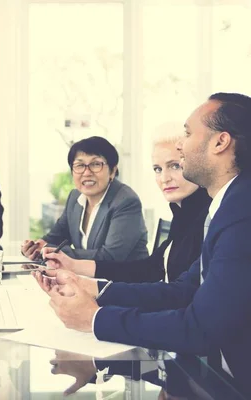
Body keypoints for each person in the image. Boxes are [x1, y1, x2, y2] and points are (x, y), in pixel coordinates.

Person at [34, 93, 251, 397]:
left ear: (220, 143)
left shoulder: (242, 212)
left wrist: (94, 318)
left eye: (187, 134)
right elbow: (184, 289)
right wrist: (92, 288)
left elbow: (201, 328)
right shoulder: (228, 205)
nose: (180, 145)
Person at [40, 124, 212, 283]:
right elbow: (153, 268)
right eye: (157, 169)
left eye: (175, 166)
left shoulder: (208, 218)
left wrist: (99, 303)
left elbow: (181, 293)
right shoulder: (182, 213)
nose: (164, 178)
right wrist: (70, 264)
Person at [22, 136, 148, 262]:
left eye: (96, 164)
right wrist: (36, 247)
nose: (87, 172)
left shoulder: (126, 201)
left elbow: (110, 257)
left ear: (112, 171)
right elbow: (55, 237)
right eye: (80, 165)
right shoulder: (75, 198)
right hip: (86, 279)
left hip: (124, 279)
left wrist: (53, 251)